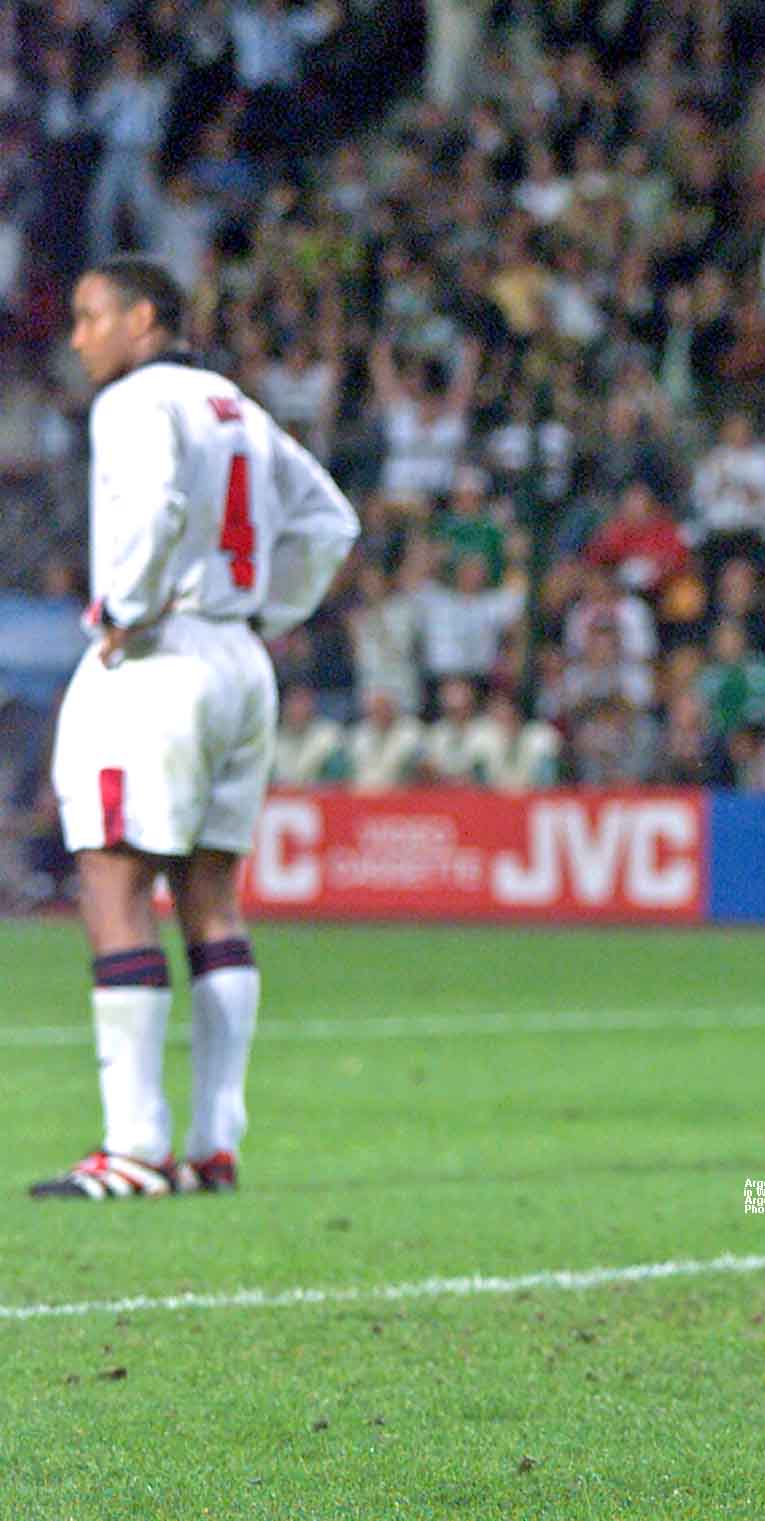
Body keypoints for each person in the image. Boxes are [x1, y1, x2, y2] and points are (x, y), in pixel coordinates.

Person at [38, 256, 358, 1200]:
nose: (79, 337)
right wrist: (266, 609)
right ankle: (214, 1142)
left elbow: (155, 505)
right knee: (212, 894)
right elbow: (330, 523)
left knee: (113, 878)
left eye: (92, 316)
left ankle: (133, 1148)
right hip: (237, 659)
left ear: (144, 317)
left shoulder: (133, 403)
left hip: (160, 658)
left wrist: (121, 609)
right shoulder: (237, 406)